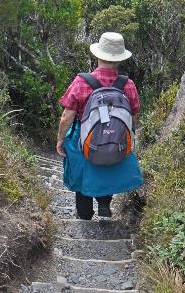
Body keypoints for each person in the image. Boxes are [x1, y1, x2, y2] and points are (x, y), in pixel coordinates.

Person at [56, 32, 143, 220]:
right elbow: (133, 116)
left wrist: (61, 138)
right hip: (115, 137)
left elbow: (67, 116)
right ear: (119, 59)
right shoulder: (127, 85)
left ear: (97, 55)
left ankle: (85, 213)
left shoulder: (81, 82)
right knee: (109, 163)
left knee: (82, 169)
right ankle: (104, 204)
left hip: (85, 137)